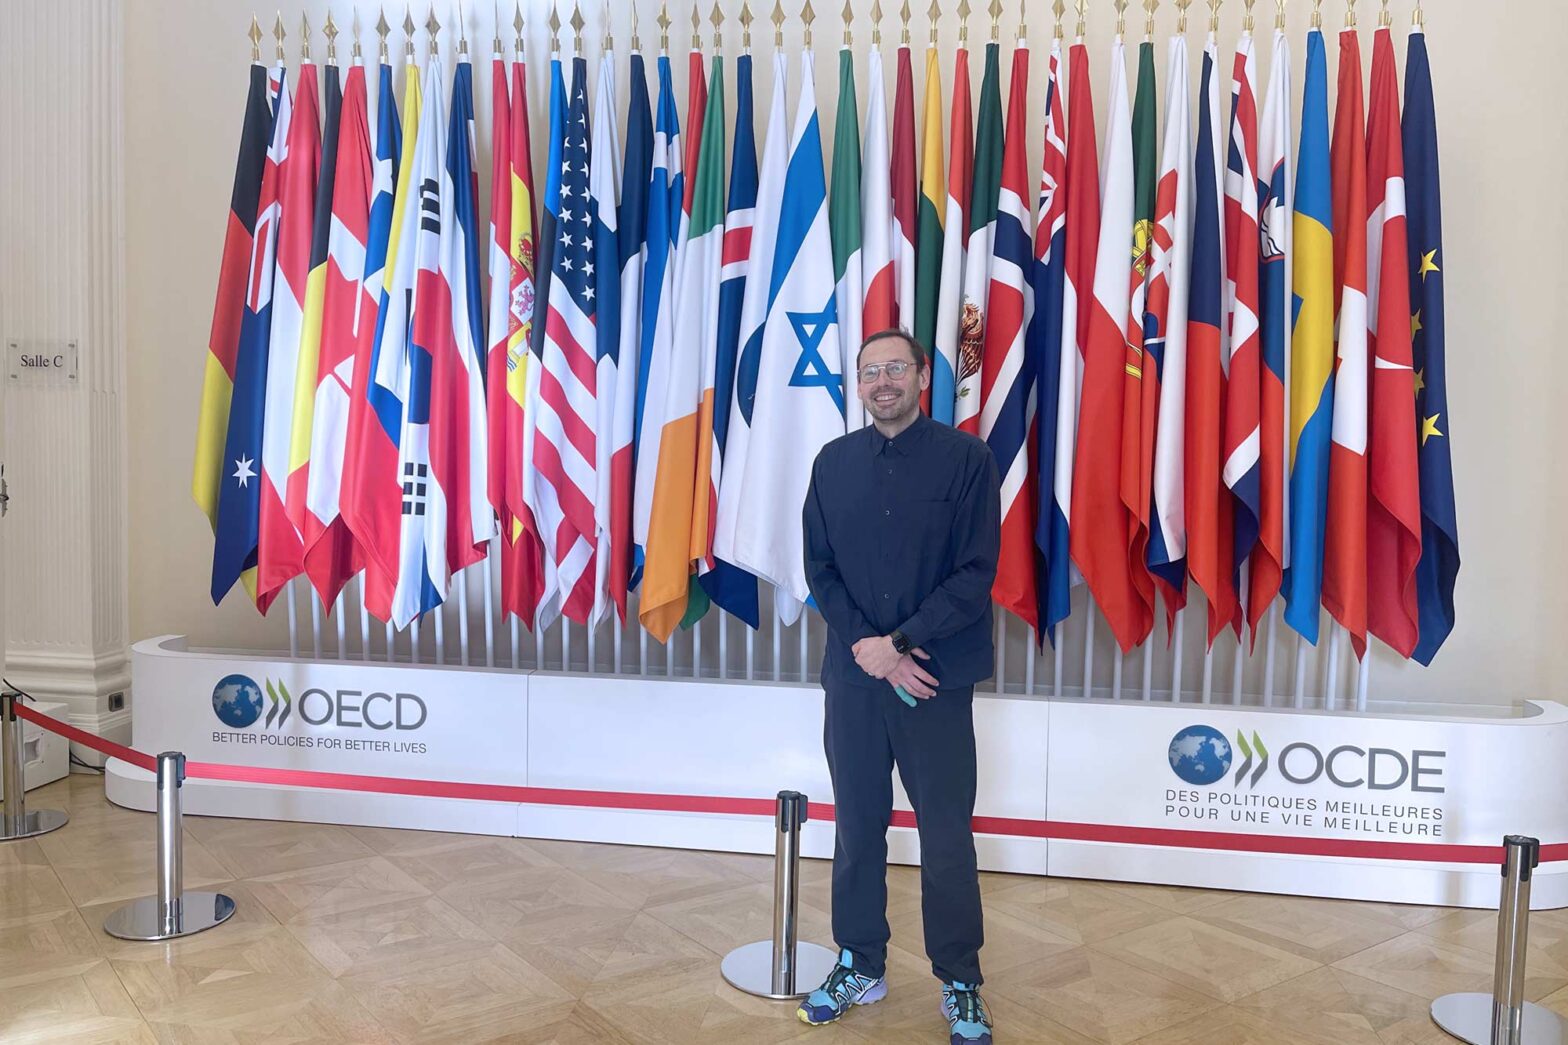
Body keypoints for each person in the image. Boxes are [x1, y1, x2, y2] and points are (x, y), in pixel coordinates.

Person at [798, 328, 1000, 1045]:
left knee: (945, 837)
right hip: (856, 680)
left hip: (933, 679)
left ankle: (960, 981)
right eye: (868, 372)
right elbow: (820, 568)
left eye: (894, 368)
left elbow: (975, 573)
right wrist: (872, 651)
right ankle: (860, 961)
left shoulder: (968, 461)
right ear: (857, 385)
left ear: (921, 376)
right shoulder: (832, 464)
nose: (882, 381)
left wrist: (901, 645)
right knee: (857, 828)